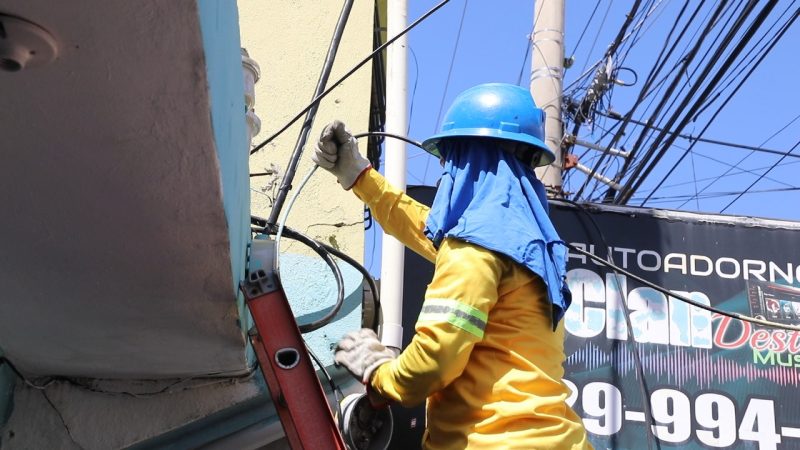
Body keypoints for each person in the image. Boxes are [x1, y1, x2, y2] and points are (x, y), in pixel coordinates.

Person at [315, 83, 591, 449]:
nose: (445, 172)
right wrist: (360, 177)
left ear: (470, 159)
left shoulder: (473, 252)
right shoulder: (530, 248)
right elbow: (425, 229)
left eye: (449, 160)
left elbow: (433, 363)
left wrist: (379, 374)